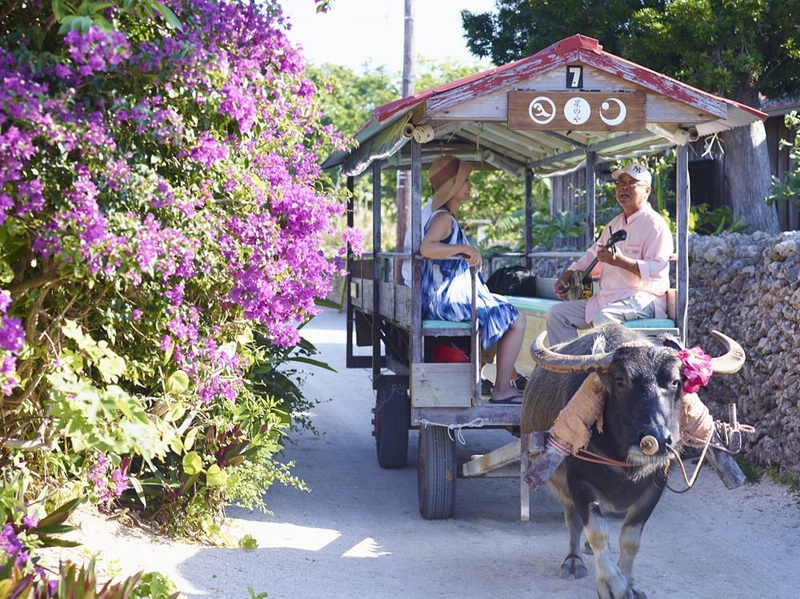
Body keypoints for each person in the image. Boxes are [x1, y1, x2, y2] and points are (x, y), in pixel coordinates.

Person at [526, 163, 750, 489]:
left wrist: (619, 262)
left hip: (641, 300)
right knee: (558, 315)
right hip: (608, 301)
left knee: (604, 324)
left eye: (632, 183)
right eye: (620, 183)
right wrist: (569, 274)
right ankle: (572, 381)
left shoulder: (656, 225)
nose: (624, 188)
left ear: (646, 189)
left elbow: (657, 272)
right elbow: (592, 257)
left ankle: (602, 380)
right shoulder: (614, 224)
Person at [420, 155, 526, 404]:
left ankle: (496, 377)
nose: (470, 185)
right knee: (517, 318)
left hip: (448, 295)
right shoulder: (442, 218)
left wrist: (461, 250)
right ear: (453, 188)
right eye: (466, 180)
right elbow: (426, 249)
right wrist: (464, 249)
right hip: (442, 299)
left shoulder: (447, 218)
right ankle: (502, 388)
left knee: (503, 307)